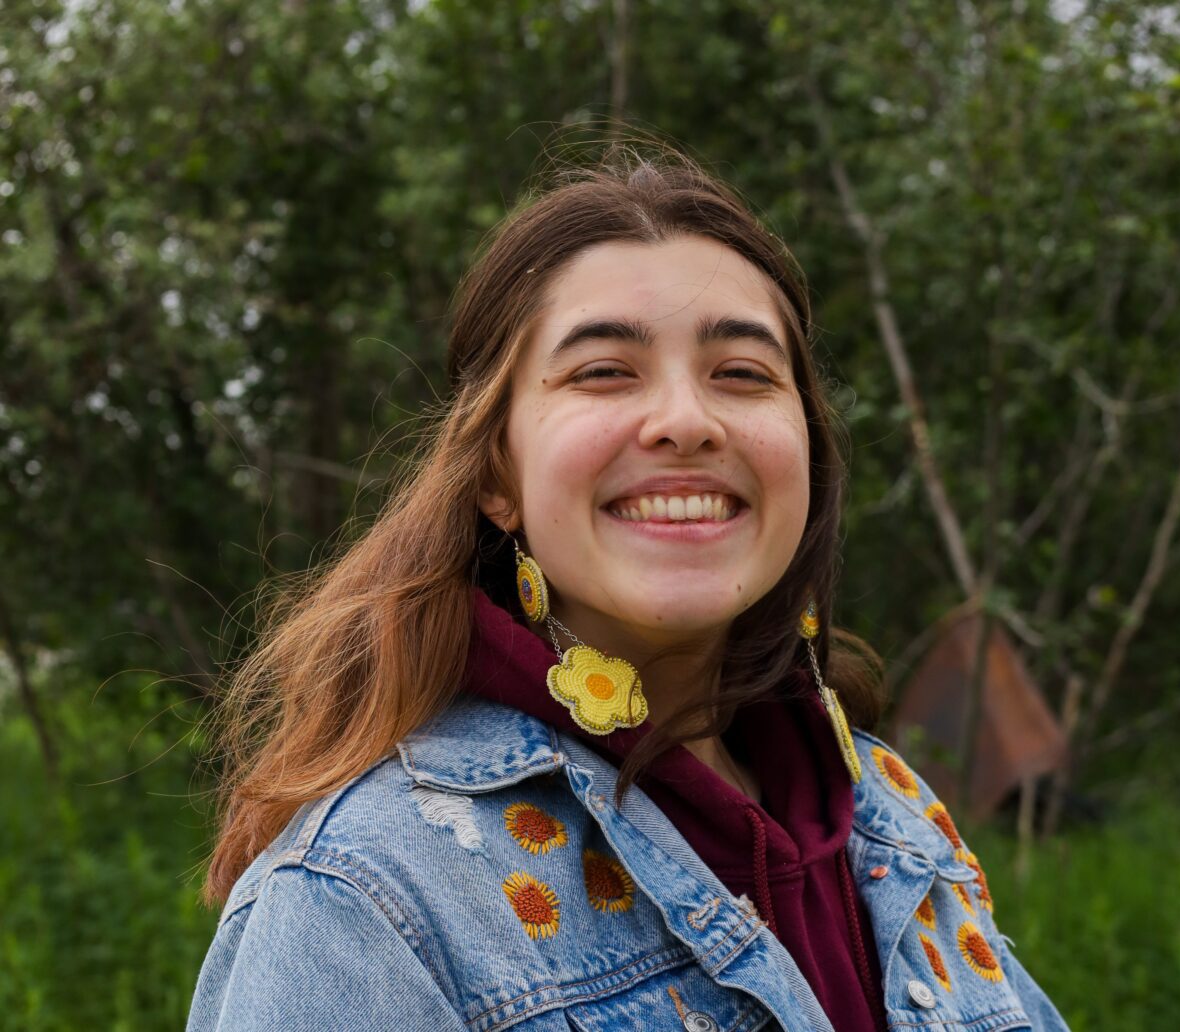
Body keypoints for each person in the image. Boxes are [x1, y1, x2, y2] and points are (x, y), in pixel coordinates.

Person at [189, 140, 1069, 1032]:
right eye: (604, 371)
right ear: (496, 475)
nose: (686, 421)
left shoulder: (893, 812)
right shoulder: (367, 897)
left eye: (743, 374)